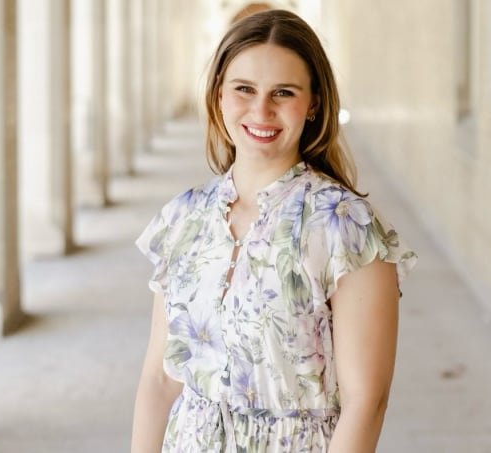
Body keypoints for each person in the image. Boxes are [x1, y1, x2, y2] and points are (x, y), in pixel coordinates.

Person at [131, 9, 417, 452]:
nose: (261, 110)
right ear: (219, 95)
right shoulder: (183, 218)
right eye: (244, 89)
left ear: (313, 103)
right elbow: (160, 379)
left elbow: (367, 402)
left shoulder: (346, 228)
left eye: (283, 93)